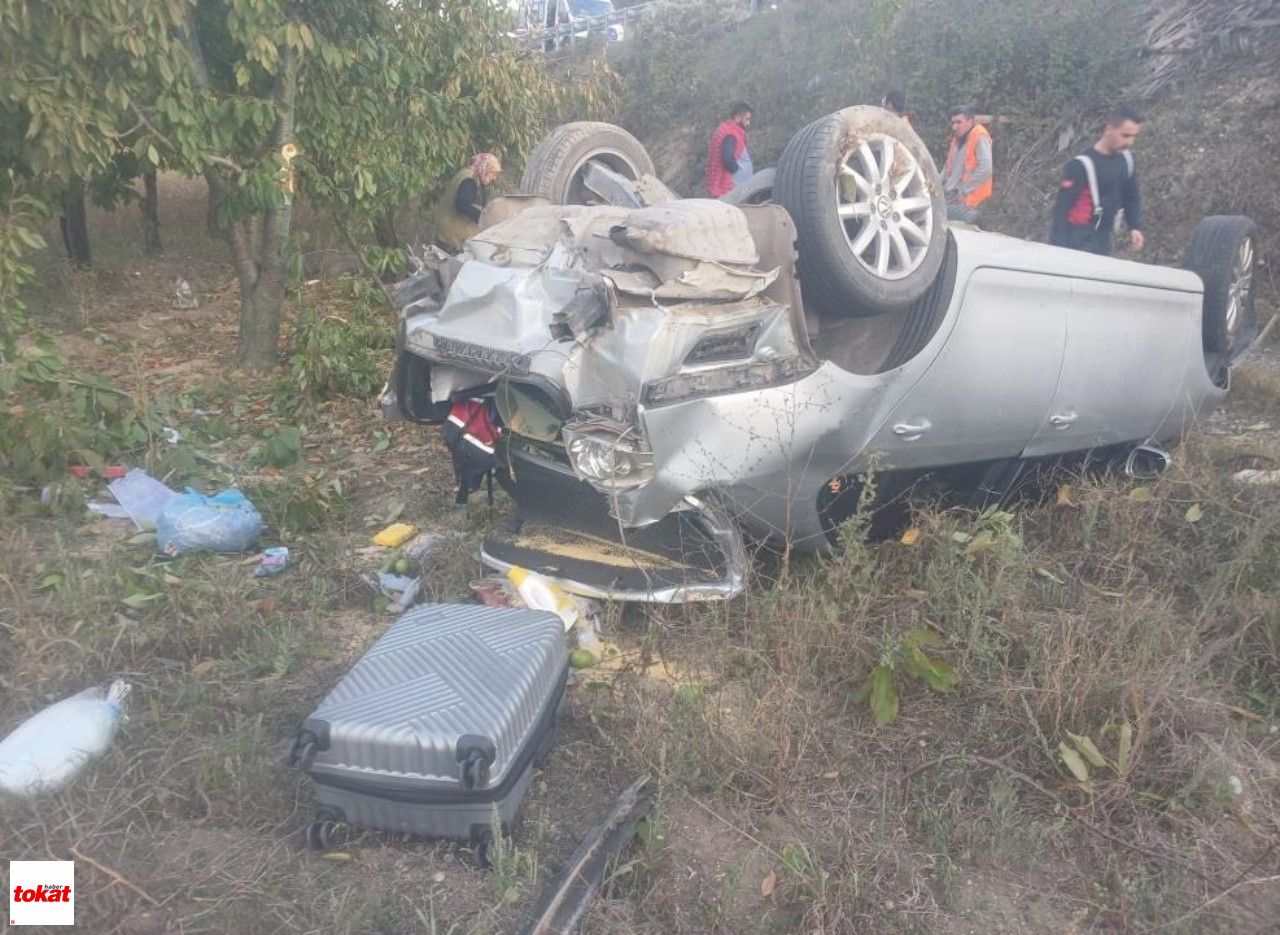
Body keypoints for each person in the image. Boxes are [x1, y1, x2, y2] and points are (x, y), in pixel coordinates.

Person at [1049, 106, 1144, 256]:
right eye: (1125, 135)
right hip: (1076, 239)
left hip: (1103, 238)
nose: (1130, 142)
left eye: (1134, 136)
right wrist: (1058, 251)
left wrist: (1134, 226)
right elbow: (1061, 211)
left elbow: (1131, 195)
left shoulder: (1126, 160)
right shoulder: (1081, 166)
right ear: (1109, 130)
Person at [433, 152, 502, 252]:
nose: (494, 178)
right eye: (493, 173)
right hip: (453, 236)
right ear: (485, 168)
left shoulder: (467, 175)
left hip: (447, 231)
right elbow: (462, 205)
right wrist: (484, 218)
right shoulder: (470, 180)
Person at [941, 104, 993, 223]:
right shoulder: (957, 139)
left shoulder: (980, 135)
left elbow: (986, 169)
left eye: (959, 122)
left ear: (970, 121)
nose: (954, 127)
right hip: (952, 195)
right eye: (953, 123)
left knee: (941, 213)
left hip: (969, 200)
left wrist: (963, 190)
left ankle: (971, 217)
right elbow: (947, 168)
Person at [705, 102, 752, 198]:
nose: (748, 123)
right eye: (747, 119)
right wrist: (736, 170)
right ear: (738, 118)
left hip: (735, 188)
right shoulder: (731, 134)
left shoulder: (728, 129)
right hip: (731, 190)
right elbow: (727, 158)